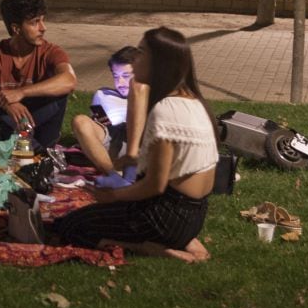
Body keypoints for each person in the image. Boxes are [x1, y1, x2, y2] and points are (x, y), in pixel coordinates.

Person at [55, 27, 218, 263]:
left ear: (158, 63)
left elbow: (155, 185)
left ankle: (154, 249)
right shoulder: (192, 101)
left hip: (163, 218)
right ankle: (184, 241)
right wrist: (129, 161)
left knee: (70, 227)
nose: (134, 59)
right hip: (193, 217)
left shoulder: (166, 109)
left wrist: (114, 196)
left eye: (141, 53)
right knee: (86, 217)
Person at [0, 0, 77, 149]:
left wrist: (22, 93)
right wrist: (5, 102)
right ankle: (24, 145)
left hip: (37, 123)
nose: (43, 28)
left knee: (59, 87)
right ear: (16, 28)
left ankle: (29, 144)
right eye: (35, 22)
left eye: (42, 20)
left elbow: (70, 80)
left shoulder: (51, 51)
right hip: (4, 121)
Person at [70, 46, 145, 176]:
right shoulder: (103, 95)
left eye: (126, 76)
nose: (120, 82)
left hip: (141, 144)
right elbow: (100, 125)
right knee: (80, 121)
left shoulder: (152, 95)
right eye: (116, 76)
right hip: (113, 140)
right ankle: (113, 175)